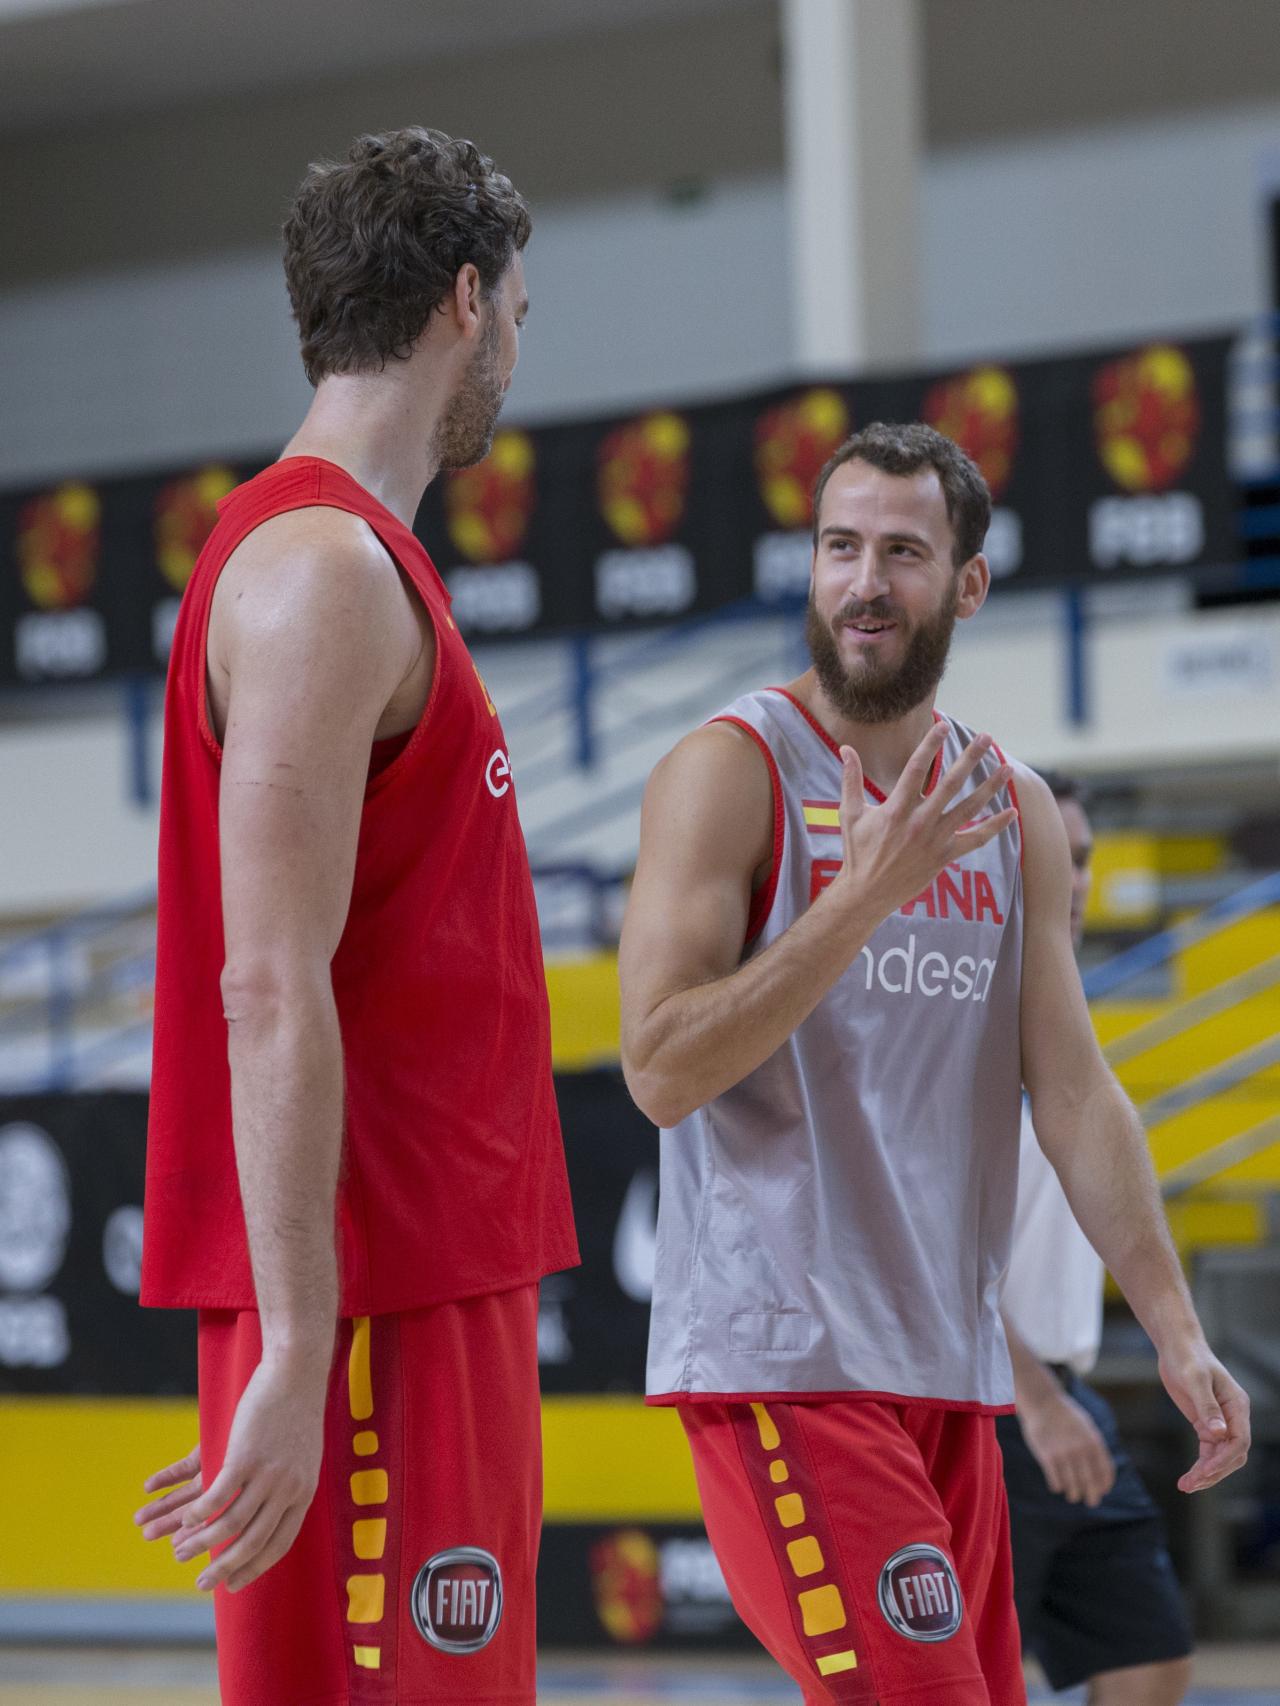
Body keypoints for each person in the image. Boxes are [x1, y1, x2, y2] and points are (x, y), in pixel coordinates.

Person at [618, 422, 1249, 1706]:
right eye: (838, 546)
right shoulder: (729, 770)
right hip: (784, 1360)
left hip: (947, 1371)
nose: (863, 582)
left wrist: (1174, 1328)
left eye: (901, 553)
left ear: (965, 583)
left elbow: (1072, 1091)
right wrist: (859, 896)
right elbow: (660, 1066)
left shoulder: (1010, 806)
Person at [132, 127, 579, 1706]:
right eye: (518, 311)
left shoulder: (351, 560)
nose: (515, 344)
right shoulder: (321, 572)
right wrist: (301, 1344)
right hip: (372, 1294)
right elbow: (266, 984)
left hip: (406, 1277)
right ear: (465, 298)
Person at [1000, 773, 1194, 1703]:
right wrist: (1032, 1401)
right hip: (979, 1401)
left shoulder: (1062, 1010)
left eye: (1080, 860)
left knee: (1150, 1657)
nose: (1072, 879)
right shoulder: (952, 1011)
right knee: (956, 1676)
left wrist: (1179, 1337)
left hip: (1065, 1394)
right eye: (1051, 857)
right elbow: (916, 1252)